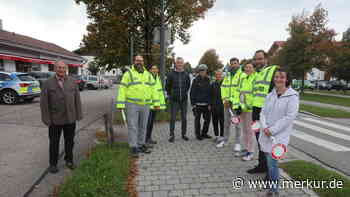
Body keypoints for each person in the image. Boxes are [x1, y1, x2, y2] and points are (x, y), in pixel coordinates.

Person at [259, 68, 299, 197]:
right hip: (266, 133)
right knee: (268, 161)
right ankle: (272, 182)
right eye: (276, 77)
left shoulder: (292, 96)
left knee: (272, 163)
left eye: (282, 77)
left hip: (279, 135)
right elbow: (263, 112)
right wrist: (265, 127)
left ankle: (274, 188)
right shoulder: (270, 94)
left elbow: (289, 117)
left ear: (287, 79)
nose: (278, 79)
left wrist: (272, 130)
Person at [40, 60, 83, 173]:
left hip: (70, 118)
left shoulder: (72, 82)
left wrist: (79, 114)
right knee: (54, 142)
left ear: (66, 69)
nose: (61, 70)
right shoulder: (47, 83)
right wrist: (46, 119)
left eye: (63, 68)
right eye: (59, 67)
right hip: (55, 120)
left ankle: (69, 160)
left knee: (70, 141)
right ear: (55, 69)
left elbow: (77, 99)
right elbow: (44, 103)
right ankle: (53, 164)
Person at [116, 55, 160, 157]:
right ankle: (133, 147)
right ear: (134, 62)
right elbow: (122, 88)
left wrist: (156, 103)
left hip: (145, 105)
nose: (139, 62)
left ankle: (141, 144)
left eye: (141, 61)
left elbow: (153, 89)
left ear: (143, 62)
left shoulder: (148, 75)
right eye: (137, 60)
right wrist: (120, 103)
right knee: (133, 126)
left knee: (143, 126)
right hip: (132, 104)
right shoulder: (128, 74)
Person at [247, 50, 279, 174]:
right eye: (256, 59)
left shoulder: (273, 71)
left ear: (266, 59)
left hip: (267, 114)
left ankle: (270, 172)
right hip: (256, 113)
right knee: (260, 140)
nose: (258, 61)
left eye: (260, 59)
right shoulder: (258, 74)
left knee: (269, 142)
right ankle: (262, 166)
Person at [217, 58, 243, 155]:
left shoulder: (242, 75)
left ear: (238, 64)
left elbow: (242, 90)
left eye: (235, 63)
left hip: (236, 104)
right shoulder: (227, 75)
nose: (233, 65)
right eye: (232, 64)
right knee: (226, 123)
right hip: (227, 104)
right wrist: (224, 100)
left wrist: (234, 101)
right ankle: (225, 140)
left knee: (237, 125)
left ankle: (238, 143)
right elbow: (223, 88)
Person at [165, 57, 191, 143]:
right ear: (176, 64)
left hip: (183, 100)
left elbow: (188, 85)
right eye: (178, 63)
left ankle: (184, 134)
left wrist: (183, 93)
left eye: (181, 63)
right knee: (172, 118)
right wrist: (171, 94)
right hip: (174, 100)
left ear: (183, 64)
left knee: (184, 118)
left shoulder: (186, 74)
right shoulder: (171, 74)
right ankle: (171, 135)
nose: (179, 64)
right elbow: (167, 86)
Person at [236, 62, 256, 160]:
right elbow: (239, 92)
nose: (247, 69)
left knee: (250, 131)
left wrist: (247, 106)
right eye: (246, 67)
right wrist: (238, 105)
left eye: (250, 67)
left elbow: (255, 95)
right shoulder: (243, 78)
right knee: (244, 130)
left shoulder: (255, 78)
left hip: (250, 109)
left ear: (253, 69)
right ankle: (246, 148)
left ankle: (251, 151)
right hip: (243, 109)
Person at [190, 64, 212, 140]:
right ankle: (198, 134)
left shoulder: (208, 80)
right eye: (201, 70)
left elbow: (210, 93)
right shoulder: (195, 80)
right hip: (197, 104)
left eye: (204, 70)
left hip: (206, 104)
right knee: (197, 121)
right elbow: (192, 93)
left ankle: (204, 133)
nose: (203, 72)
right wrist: (193, 104)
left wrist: (209, 103)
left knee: (208, 120)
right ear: (199, 71)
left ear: (206, 71)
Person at [146, 65, 166, 145]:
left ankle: (149, 138)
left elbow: (160, 93)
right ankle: (145, 140)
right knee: (147, 124)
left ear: (158, 70)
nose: (154, 70)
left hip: (155, 105)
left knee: (151, 124)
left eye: (156, 69)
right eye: (153, 69)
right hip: (148, 105)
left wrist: (161, 105)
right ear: (150, 70)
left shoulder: (158, 79)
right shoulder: (147, 78)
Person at [210, 69, 225, 142]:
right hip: (214, 106)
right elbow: (210, 95)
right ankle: (216, 135)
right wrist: (210, 105)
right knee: (214, 121)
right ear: (215, 76)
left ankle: (222, 136)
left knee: (222, 121)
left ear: (222, 75)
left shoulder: (225, 84)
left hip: (222, 106)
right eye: (217, 75)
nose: (218, 76)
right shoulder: (213, 84)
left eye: (219, 74)